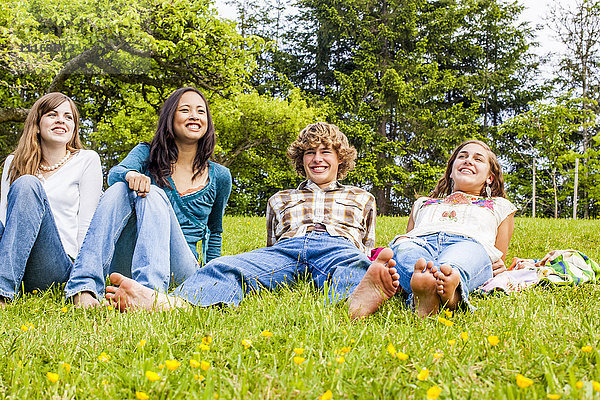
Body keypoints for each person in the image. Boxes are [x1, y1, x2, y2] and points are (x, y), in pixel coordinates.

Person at [103, 122, 400, 317]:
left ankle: (356, 302)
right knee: (225, 266)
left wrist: (366, 262)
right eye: (310, 153)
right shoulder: (280, 199)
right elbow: (272, 244)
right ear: (301, 160)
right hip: (289, 249)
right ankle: (170, 304)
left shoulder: (363, 198)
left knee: (357, 265)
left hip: (338, 245)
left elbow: (364, 245)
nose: (317, 159)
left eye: (326, 152)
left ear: (340, 159)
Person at [65, 87, 232, 307]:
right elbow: (115, 173)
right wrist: (131, 174)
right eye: (185, 110)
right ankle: (83, 287)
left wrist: (211, 280)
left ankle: (150, 293)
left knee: (152, 194)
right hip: (132, 258)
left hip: (181, 268)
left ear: (207, 122)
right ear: (170, 118)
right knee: (118, 187)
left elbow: (215, 232)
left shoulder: (219, 176)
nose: (194, 116)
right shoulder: (147, 153)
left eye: (201, 112)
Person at [374, 140, 516, 317]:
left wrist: (491, 266)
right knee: (406, 249)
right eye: (462, 156)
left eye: (478, 159)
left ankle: (443, 287)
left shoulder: (499, 205)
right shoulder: (423, 203)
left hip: (468, 244)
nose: (468, 160)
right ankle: (439, 291)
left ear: (490, 178)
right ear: (450, 172)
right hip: (421, 242)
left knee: (455, 264)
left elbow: (498, 256)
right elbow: (411, 236)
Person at [0, 92, 103, 305]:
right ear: (37, 124)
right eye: (52, 114)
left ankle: (2, 293)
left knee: (28, 184)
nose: (61, 121)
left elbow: (87, 226)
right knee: (26, 183)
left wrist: (80, 281)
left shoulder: (86, 160)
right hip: (11, 256)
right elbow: (4, 219)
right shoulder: (13, 162)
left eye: (68, 117)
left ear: (74, 127)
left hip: (54, 263)